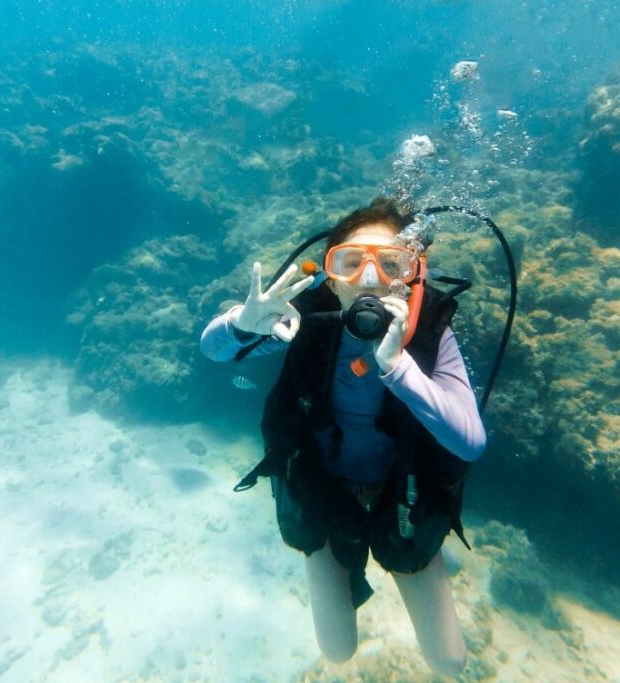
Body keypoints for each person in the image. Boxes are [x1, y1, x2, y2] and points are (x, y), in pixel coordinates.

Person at [199, 198, 486, 678]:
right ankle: (375, 554)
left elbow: (470, 441)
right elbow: (215, 349)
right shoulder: (302, 320)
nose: (370, 279)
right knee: (337, 650)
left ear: (411, 275)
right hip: (324, 490)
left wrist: (398, 368)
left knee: (449, 660)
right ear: (330, 277)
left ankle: (423, 551)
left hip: (403, 494)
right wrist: (241, 325)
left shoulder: (432, 333)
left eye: (390, 263)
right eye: (351, 262)